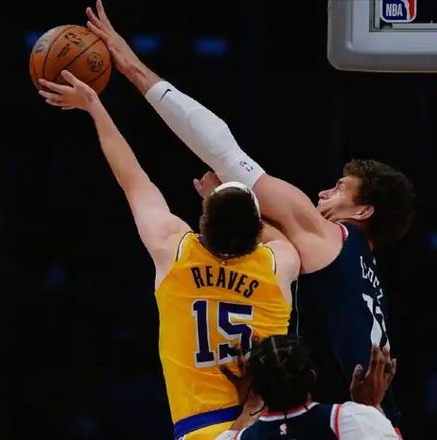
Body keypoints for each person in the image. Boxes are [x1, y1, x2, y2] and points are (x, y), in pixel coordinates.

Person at [85, 0, 415, 414]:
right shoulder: (362, 272)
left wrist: (131, 67)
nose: (322, 194)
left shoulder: (330, 237)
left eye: (339, 189)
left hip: (345, 425)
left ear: (363, 212)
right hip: (377, 424)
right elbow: (266, 233)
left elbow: (224, 152)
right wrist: (226, 202)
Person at [37, 71, 300, 440]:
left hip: (201, 429)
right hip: (267, 427)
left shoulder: (173, 249)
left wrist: (95, 107)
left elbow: (133, 179)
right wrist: (226, 199)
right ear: (257, 229)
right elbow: (281, 234)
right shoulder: (278, 263)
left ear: (204, 218)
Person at [215, 335, 400, 439]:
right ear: (312, 377)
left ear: (257, 389)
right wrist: (369, 405)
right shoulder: (349, 420)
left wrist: (250, 407)